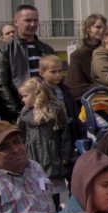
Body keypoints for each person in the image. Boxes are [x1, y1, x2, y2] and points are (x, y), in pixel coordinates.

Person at [17, 78, 73, 206]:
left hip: (51, 153)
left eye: (25, 96)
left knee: (51, 184)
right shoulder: (25, 112)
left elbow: (64, 133)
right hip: (32, 153)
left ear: (36, 94)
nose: (23, 99)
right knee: (36, 183)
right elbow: (21, 134)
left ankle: (55, 207)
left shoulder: (55, 109)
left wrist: (65, 154)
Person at [0, 5, 55, 120]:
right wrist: (18, 111)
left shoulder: (47, 49)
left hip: (47, 109)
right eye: (28, 20)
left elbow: (56, 79)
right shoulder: (6, 51)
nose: (33, 24)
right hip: (21, 111)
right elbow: (1, 85)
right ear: (16, 22)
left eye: (35, 20)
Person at [65, 14, 107, 100]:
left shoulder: (106, 51)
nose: (102, 30)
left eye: (104, 27)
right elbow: (74, 86)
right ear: (88, 29)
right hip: (91, 102)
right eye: (98, 27)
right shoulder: (78, 55)